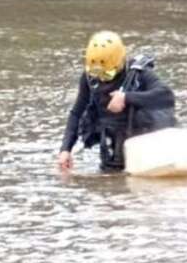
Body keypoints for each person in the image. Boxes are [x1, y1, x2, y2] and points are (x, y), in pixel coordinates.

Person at [57, 31, 177, 172]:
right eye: (96, 73)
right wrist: (66, 149)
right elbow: (77, 113)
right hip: (111, 149)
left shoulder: (139, 74)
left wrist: (126, 97)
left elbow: (167, 97)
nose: (101, 79)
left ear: (120, 62)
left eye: (107, 74)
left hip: (142, 147)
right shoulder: (89, 78)